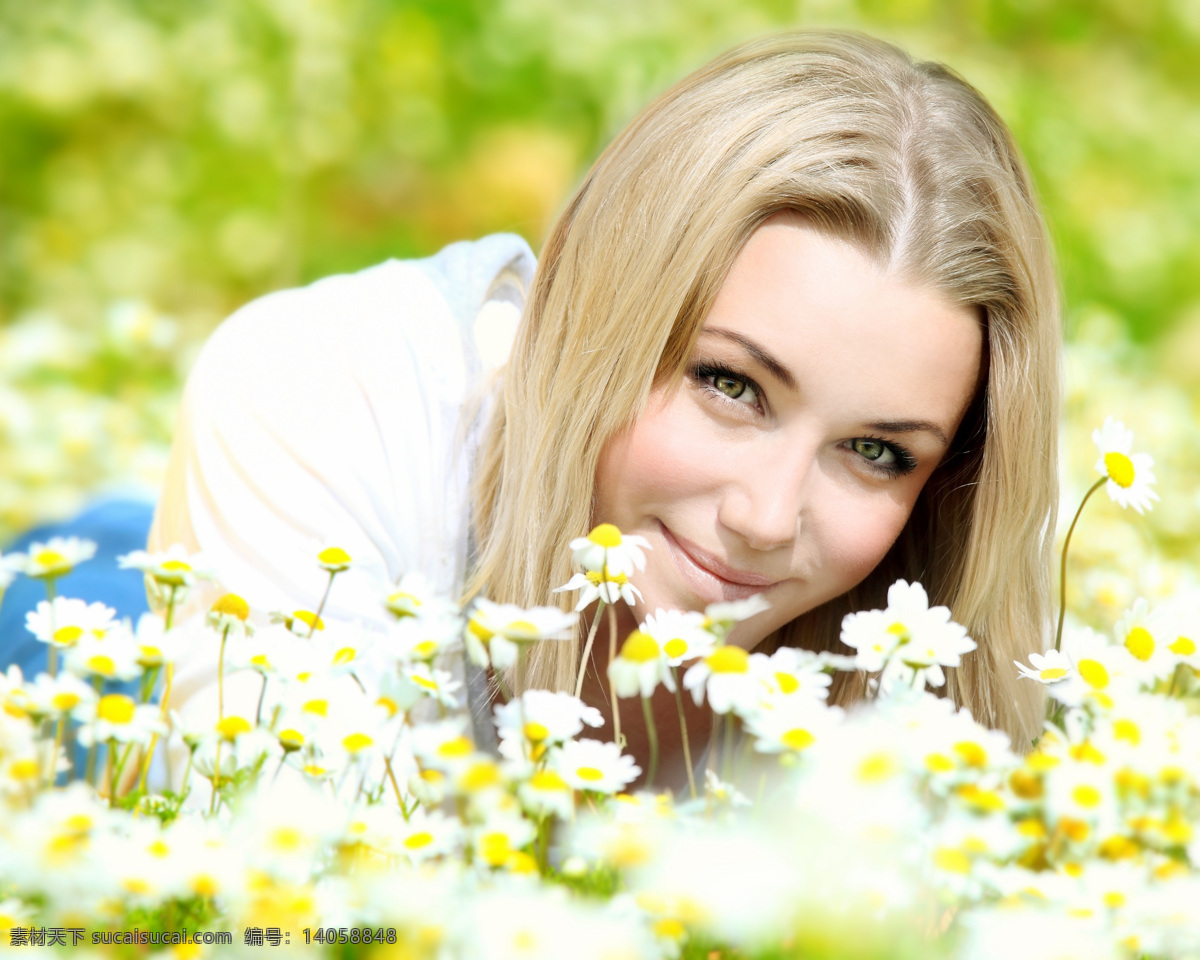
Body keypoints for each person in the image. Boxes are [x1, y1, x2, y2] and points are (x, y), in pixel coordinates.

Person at [151, 30, 1059, 786]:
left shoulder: (918, 654)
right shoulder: (323, 391)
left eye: (874, 452)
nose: (765, 519)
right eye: (730, 386)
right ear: (598, 301)